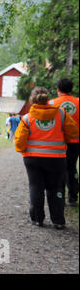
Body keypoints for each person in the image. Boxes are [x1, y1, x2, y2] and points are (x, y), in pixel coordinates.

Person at [15, 86, 78, 229]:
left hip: (33, 158)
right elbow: (73, 131)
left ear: (32, 100)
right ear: (47, 99)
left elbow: (19, 142)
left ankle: (37, 219)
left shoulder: (27, 118)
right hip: (57, 158)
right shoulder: (61, 114)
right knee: (55, 188)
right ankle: (58, 221)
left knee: (36, 186)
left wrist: (22, 149)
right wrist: (64, 140)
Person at [49, 78, 79, 206]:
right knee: (71, 168)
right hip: (75, 141)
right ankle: (73, 197)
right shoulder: (78, 102)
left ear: (58, 90)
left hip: (58, 142)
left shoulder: (51, 103)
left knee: (59, 169)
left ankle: (59, 195)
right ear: (71, 90)